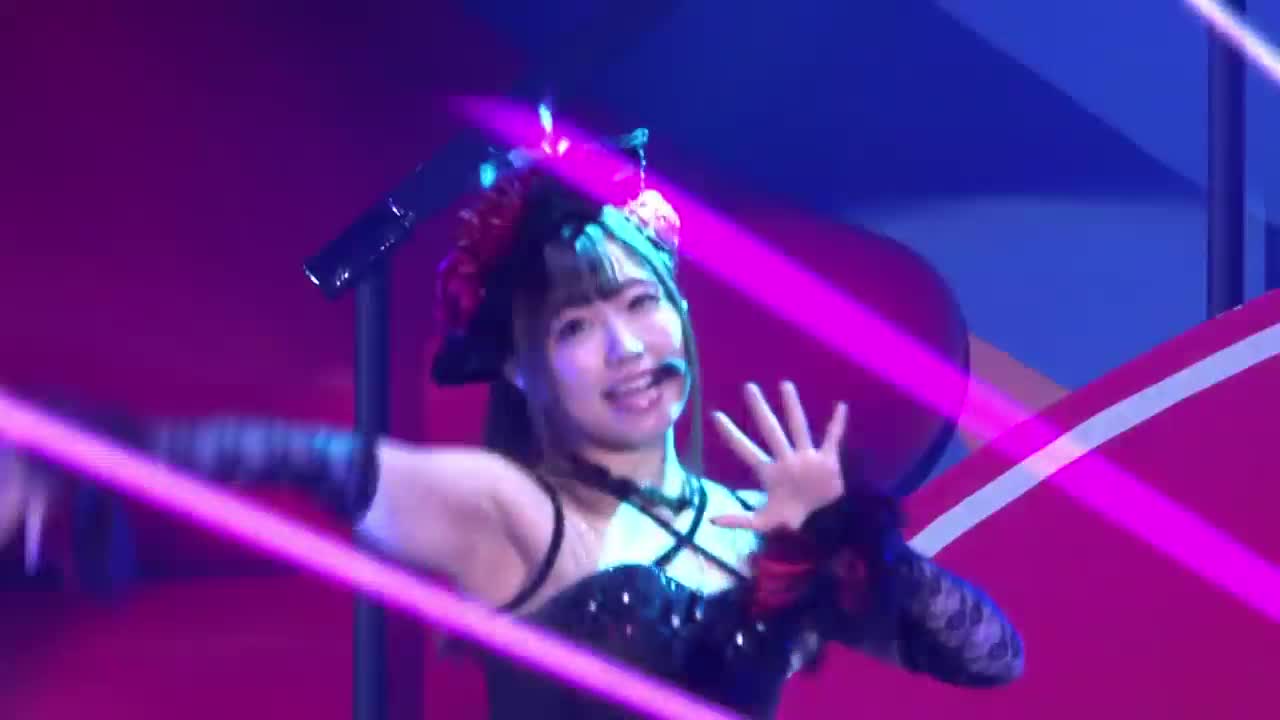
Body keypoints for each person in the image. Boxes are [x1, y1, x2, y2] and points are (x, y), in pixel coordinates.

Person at [0, 117, 1023, 718]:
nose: (626, 348)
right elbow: (289, 456)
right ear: (522, 372)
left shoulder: (745, 524)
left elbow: (990, 659)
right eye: (577, 326)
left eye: (640, 305)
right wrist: (82, 454)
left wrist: (850, 540)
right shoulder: (506, 512)